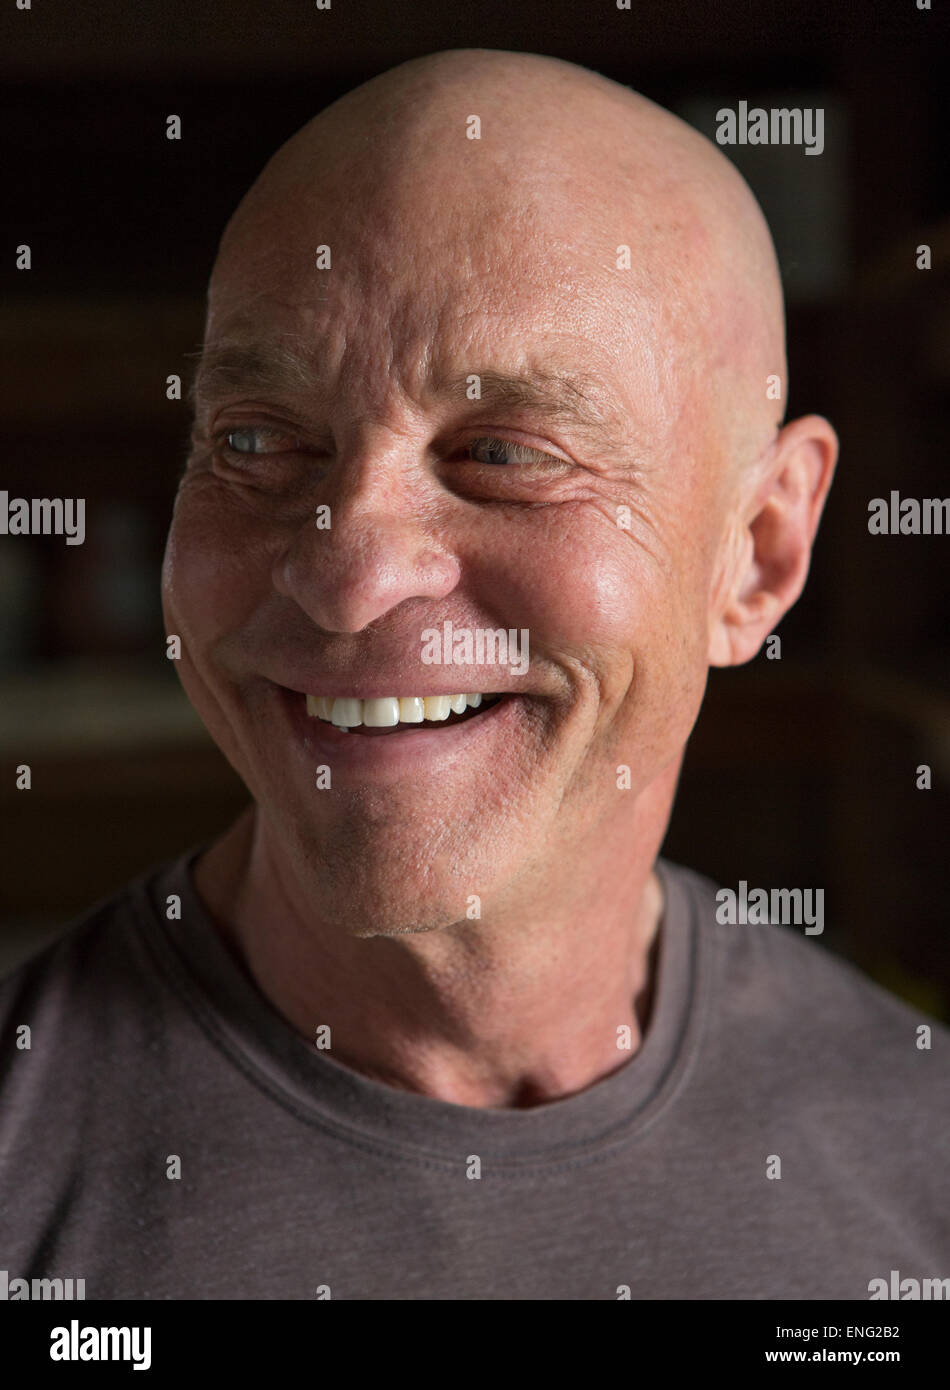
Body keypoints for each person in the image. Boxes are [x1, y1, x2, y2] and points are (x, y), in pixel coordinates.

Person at [1, 49, 946, 1301]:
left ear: (757, 553)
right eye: (254, 441)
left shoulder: (916, 1152)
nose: (348, 576)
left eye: (502, 451)